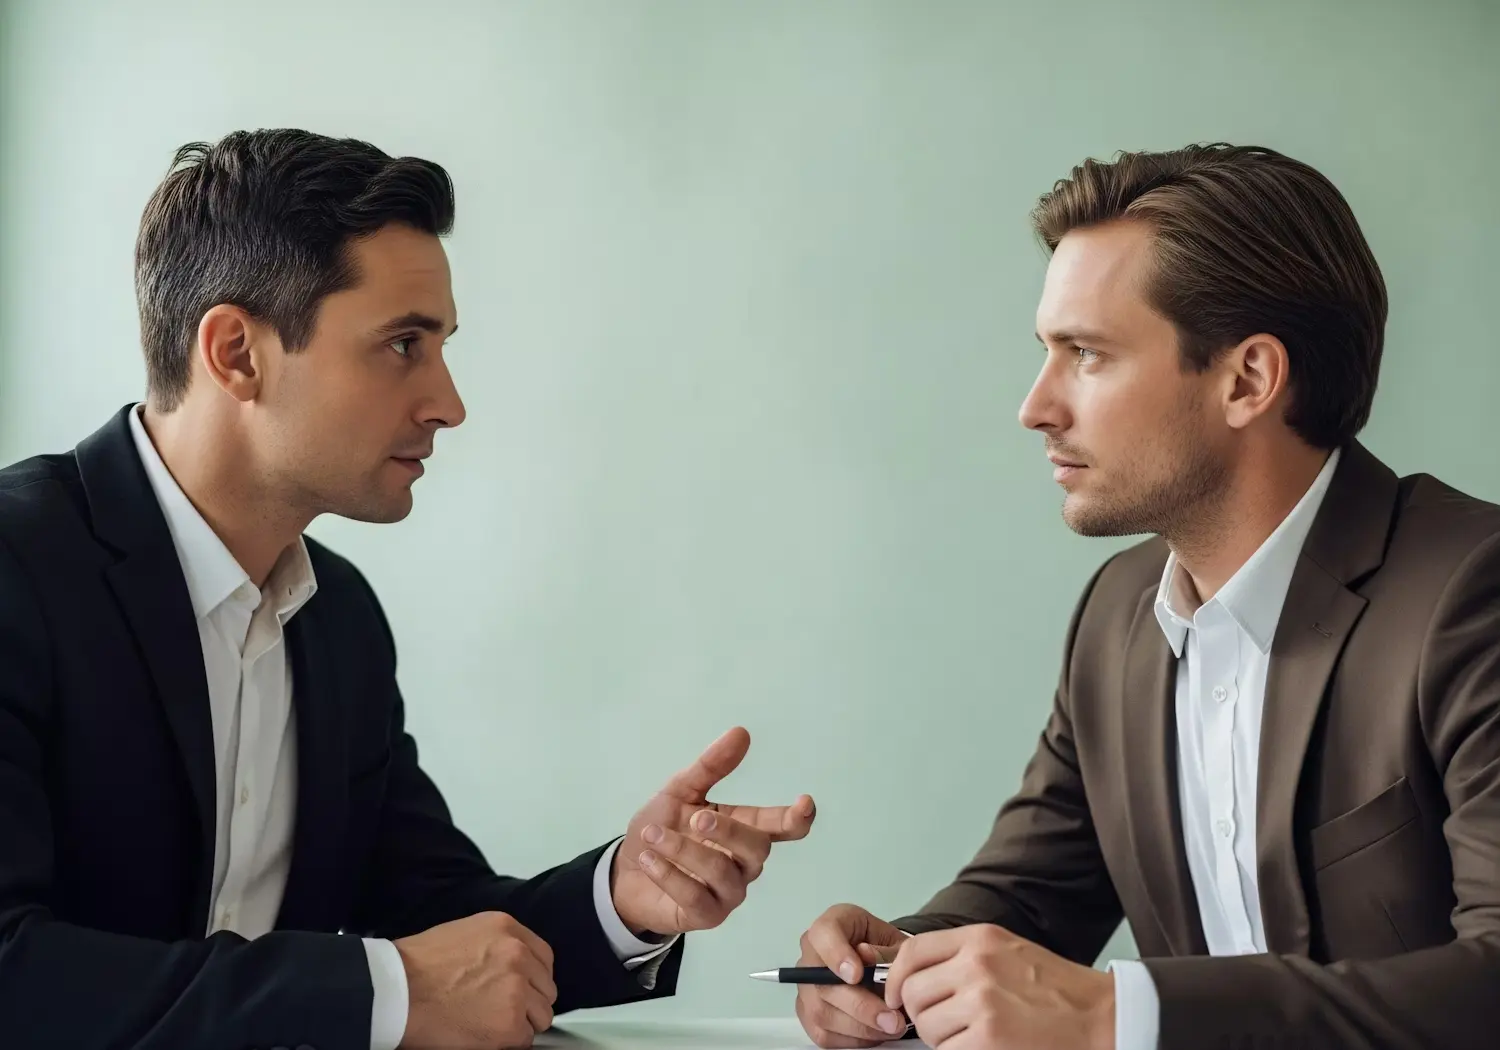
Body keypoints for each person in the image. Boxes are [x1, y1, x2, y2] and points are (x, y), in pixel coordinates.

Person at [0, 129, 816, 1050]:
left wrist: (628, 891)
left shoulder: (337, 618)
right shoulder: (16, 570)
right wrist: (375, 990)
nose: (448, 402)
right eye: (402, 345)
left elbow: (442, 931)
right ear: (236, 354)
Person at [792, 144, 1500, 1050]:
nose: (1035, 406)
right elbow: (1029, 898)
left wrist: (1125, 1015)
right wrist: (892, 968)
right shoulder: (1118, 614)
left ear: (1248, 379)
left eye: (1085, 354)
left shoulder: (1472, 593)